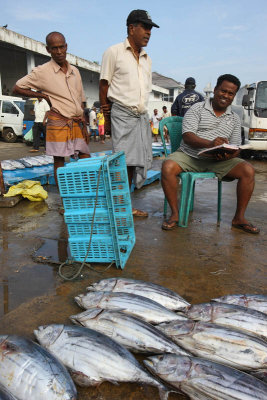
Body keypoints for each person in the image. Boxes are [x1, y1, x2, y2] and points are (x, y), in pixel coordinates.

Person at [161, 74, 259, 234]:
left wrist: (229, 154)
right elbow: (188, 136)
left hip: (218, 160)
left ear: (234, 96)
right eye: (223, 91)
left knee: (248, 170)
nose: (226, 96)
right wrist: (210, 144)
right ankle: (175, 214)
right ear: (215, 90)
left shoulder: (234, 118)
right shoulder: (197, 109)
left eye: (230, 93)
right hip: (189, 156)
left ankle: (239, 218)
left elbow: (235, 145)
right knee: (167, 166)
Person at [99, 9, 159, 217]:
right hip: (122, 114)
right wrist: (106, 119)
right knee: (122, 163)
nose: (148, 32)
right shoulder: (114, 52)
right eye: (145, 27)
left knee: (135, 162)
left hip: (140, 116)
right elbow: (104, 85)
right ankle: (118, 207)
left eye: (150, 28)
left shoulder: (147, 59)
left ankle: (126, 205)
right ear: (131, 28)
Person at [13, 31, 90, 188]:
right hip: (57, 121)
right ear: (48, 49)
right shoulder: (42, 71)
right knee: (59, 160)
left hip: (76, 122)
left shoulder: (75, 71)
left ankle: (85, 192)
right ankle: (65, 198)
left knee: (85, 156)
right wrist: (43, 96)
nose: (59, 51)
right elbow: (17, 87)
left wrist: (85, 124)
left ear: (66, 46)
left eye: (62, 47)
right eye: (54, 48)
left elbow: (81, 99)